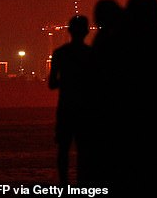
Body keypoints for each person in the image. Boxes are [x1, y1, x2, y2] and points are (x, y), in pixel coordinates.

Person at [48, 15, 94, 186]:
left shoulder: (60, 54)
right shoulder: (91, 54)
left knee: (63, 150)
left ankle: (64, 184)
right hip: (85, 110)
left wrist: (67, 80)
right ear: (87, 31)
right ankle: (83, 185)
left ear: (69, 31)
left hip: (66, 108)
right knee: (84, 151)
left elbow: (52, 84)